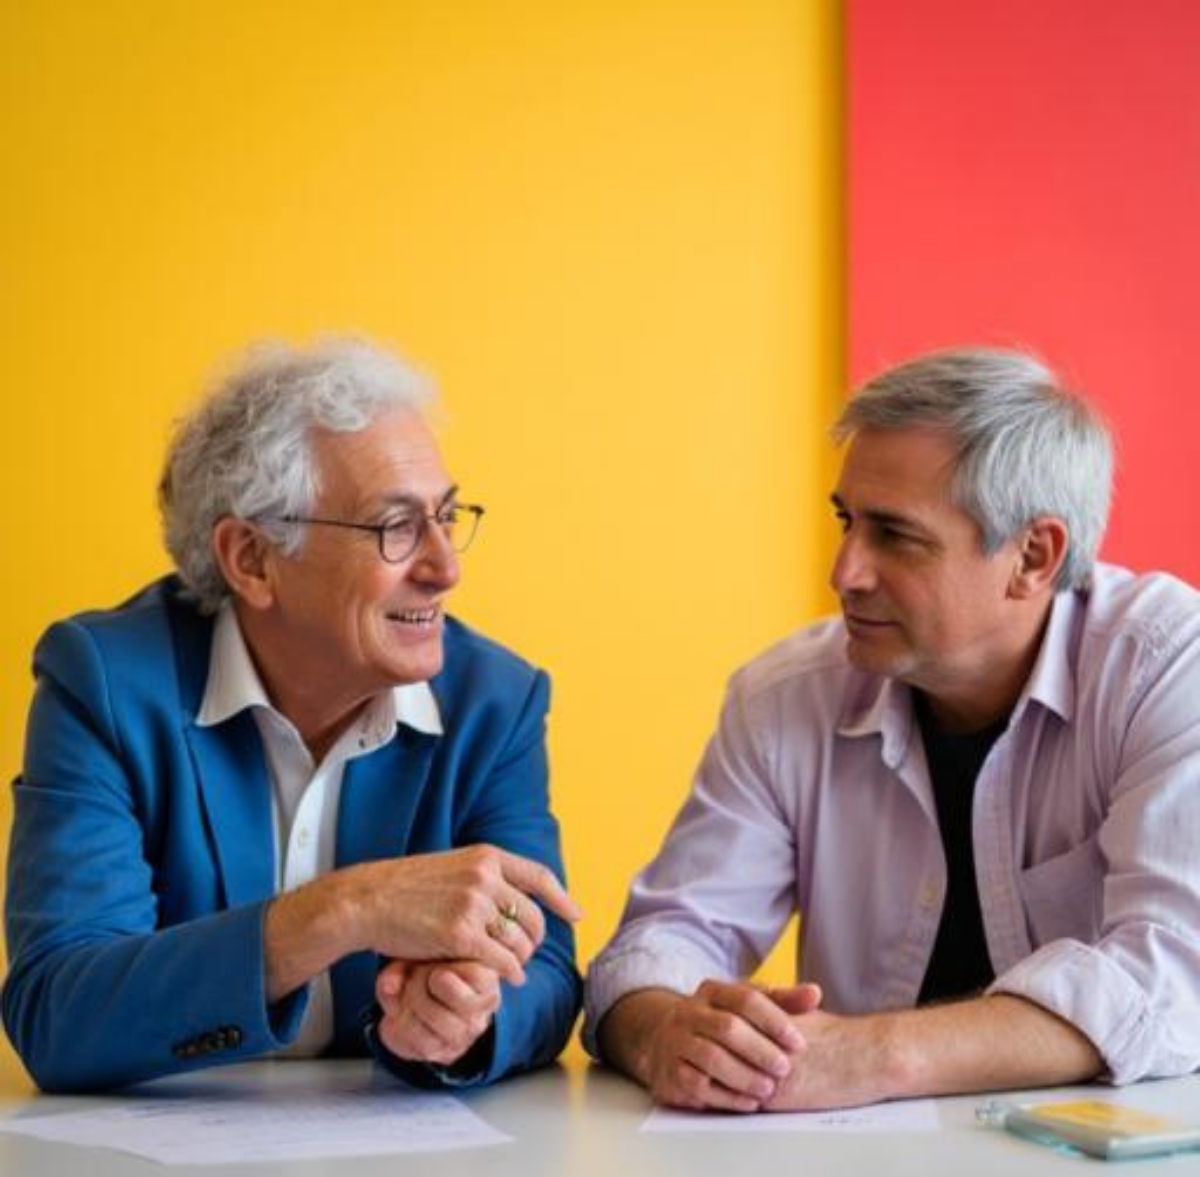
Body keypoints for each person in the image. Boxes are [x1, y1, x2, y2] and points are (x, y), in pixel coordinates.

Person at [586, 347, 1200, 1112]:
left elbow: (1173, 979)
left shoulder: (1168, 667)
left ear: (1033, 557)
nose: (844, 571)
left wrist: (873, 1055)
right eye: (846, 522)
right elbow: (660, 943)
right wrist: (668, 1032)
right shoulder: (783, 697)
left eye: (895, 536)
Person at [3, 337, 582, 1092]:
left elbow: (544, 969)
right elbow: (59, 1011)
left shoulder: (494, 700)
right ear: (251, 559)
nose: (446, 567)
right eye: (396, 527)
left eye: (447, 515)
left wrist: (466, 1019)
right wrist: (346, 909)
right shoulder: (107, 684)